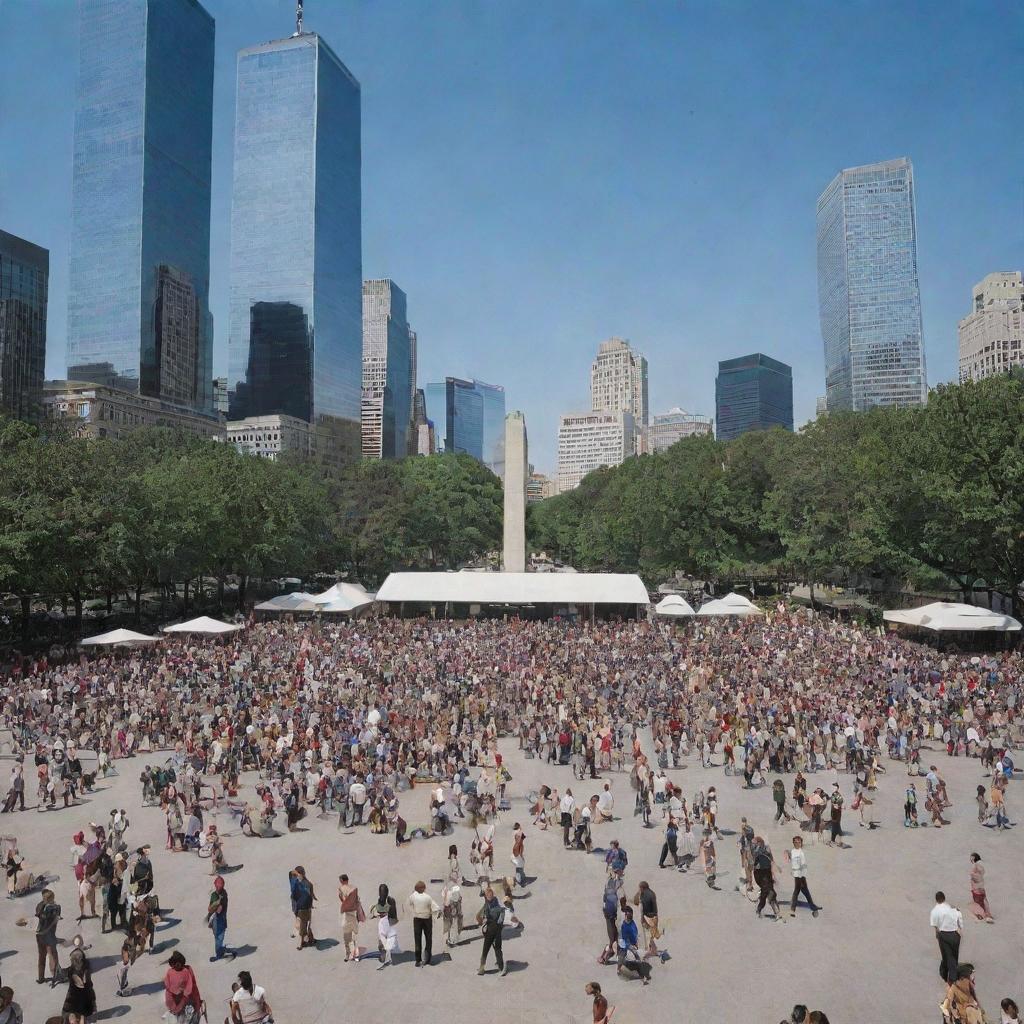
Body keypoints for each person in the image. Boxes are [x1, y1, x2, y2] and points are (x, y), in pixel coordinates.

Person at [931, 890, 963, 983]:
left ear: (937, 900)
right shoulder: (953, 908)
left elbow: (936, 926)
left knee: (946, 955)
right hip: (955, 935)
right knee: (954, 955)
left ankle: (947, 976)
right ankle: (950, 974)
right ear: (944, 898)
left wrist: (937, 935)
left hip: (944, 936)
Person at [407, 881, 440, 967]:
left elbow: (409, 903)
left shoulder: (413, 896)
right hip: (427, 919)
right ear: (424, 888)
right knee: (428, 939)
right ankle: (427, 959)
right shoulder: (428, 897)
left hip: (417, 919)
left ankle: (418, 960)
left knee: (417, 939)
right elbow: (435, 907)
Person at [785, 836, 820, 917]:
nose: (797, 844)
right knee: (797, 891)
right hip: (798, 875)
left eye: (799, 842)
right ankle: (792, 910)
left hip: (802, 874)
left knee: (805, 891)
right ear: (793, 843)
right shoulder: (794, 852)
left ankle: (812, 906)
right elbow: (795, 863)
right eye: (796, 842)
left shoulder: (800, 851)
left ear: (801, 843)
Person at [164, 951, 202, 1024]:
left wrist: (186, 993)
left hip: (186, 999)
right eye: (175, 964)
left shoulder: (186, 971)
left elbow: (190, 984)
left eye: (179, 963)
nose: (177, 966)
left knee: (187, 1016)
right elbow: (167, 984)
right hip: (173, 999)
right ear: (172, 964)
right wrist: (175, 991)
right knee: (176, 1016)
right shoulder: (170, 972)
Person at [477, 887, 508, 976]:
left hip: (493, 928)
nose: (488, 897)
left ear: (491, 895)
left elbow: (501, 912)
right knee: (495, 948)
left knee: (489, 949)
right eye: (487, 896)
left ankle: (484, 969)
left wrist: (498, 922)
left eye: (489, 895)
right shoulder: (490, 904)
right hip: (494, 929)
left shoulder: (494, 905)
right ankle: (499, 967)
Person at [61, 947, 96, 1024]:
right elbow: (88, 984)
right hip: (84, 995)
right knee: (83, 1013)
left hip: (74, 995)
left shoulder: (72, 970)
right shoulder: (85, 969)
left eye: (72, 959)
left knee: (72, 1013)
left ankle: (78, 1019)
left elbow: (64, 973)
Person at [34, 888, 61, 986]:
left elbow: (38, 917)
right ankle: (55, 976)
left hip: (39, 934)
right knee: (52, 955)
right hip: (49, 934)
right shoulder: (56, 907)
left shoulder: (39, 906)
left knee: (41, 956)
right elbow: (56, 918)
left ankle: (41, 978)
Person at [371, 884, 399, 969]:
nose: (382, 894)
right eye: (381, 892)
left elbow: (393, 914)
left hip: (387, 923)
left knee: (384, 941)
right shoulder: (381, 901)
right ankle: (386, 956)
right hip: (386, 923)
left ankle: (385, 958)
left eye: (383, 892)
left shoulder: (390, 901)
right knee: (384, 941)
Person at [208, 876, 235, 962]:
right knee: (218, 937)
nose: (219, 887)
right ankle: (220, 952)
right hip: (217, 920)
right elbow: (211, 908)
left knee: (218, 938)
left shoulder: (223, 896)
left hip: (220, 920)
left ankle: (219, 953)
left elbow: (218, 910)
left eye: (220, 885)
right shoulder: (217, 895)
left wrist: (216, 905)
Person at [289, 866, 316, 950]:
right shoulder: (303, 882)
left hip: (302, 908)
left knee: (302, 925)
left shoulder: (302, 884)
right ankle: (311, 939)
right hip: (302, 907)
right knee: (305, 924)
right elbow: (290, 873)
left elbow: (308, 896)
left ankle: (301, 943)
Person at [338, 874, 362, 962]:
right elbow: (357, 901)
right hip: (354, 915)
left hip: (347, 916)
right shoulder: (354, 888)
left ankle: (347, 955)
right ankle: (355, 956)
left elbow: (342, 901)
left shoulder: (341, 889)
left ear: (342, 881)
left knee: (346, 938)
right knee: (354, 937)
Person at [634, 881, 660, 957]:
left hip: (648, 917)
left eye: (639, 888)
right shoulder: (652, 893)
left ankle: (653, 950)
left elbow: (638, 904)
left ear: (642, 888)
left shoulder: (643, 895)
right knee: (651, 934)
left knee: (649, 934)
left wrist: (642, 918)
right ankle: (652, 948)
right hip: (654, 917)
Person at [967, 854, 994, 924]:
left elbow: (976, 874)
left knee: (979, 901)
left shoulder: (976, 865)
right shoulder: (979, 865)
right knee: (982, 900)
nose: (970, 860)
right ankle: (987, 915)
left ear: (974, 858)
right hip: (979, 887)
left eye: (971, 858)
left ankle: (984, 915)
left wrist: (973, 877)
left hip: (977, 887)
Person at [511, 823, 527, 888]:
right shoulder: (519, 843)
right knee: (520, 868)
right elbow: (518, 852)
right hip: (517, 855)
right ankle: (521, 882)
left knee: (519, 868)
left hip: (516, 855)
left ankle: (520, 879)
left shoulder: (519, 843)